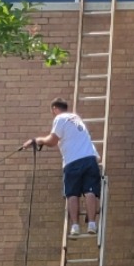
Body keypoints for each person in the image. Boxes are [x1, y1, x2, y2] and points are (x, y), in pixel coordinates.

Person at [28, 98, 102, 237]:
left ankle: (75, 226)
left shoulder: (60, 118)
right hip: (90, 159)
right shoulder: (76, 119)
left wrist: (37, 140)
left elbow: (52, 141)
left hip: (73, 161)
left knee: (72, 194)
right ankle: (92, 224)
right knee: (90, 191)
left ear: (55, 109)